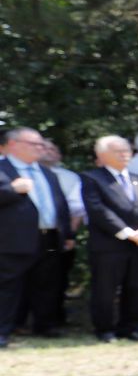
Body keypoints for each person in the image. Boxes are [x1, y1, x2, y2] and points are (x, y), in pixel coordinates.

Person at [1, 128, 75, 348]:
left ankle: (45, 326)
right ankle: (3, 330)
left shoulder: (47, 172)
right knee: (8, 287)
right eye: (35, 144)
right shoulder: (3, 169)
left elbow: (60, 204)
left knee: (47, 284)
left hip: (49, 238)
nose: (41, 148)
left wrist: (67, 234)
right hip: (12, 239)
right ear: (13, 144)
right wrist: (11, 190)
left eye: (42, 144)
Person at [84, 135, 138, 342]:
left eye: (127, 150)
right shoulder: (93, 178)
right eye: (118, 151)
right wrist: (128, 233)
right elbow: (98, 210)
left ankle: (130, 327)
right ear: (102, 155)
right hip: (109, 245)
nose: (125, 154)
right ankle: (105, 329)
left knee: (137, 287)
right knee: (105, 289)